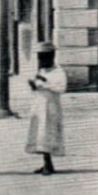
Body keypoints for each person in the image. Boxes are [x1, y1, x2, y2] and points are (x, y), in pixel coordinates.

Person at [25, 42, 69, 175]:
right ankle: (46, 163)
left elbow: (61, 88)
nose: (41, 60)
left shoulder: (58, 72)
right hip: (40, 106)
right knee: (40, 134)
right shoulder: (41, 70)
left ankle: (48, 165)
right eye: (40, 57)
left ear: (51, 56)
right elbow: (36, 88)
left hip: (51, 107)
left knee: (48, 134)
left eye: (44, 57)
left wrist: (45, 84)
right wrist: (34, 85)